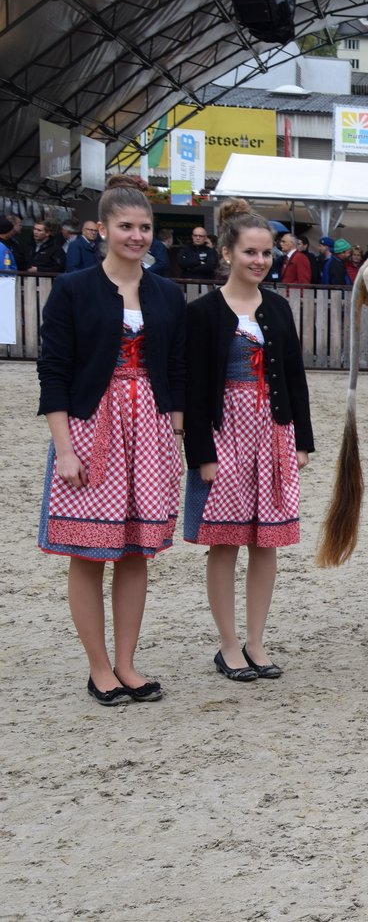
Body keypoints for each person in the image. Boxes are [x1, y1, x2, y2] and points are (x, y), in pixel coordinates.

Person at [36, 176, 185, 706]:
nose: (137, 236)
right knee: (88, 550)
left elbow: (174, 368)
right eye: (126, 226)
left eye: (145, 227)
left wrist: (174, 436)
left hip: (148, 429)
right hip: (90, 428)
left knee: (134, 552)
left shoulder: (167, 293)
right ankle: (99, 667)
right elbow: (53, 372)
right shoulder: (74, 289)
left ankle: (127, 662)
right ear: (102, 229)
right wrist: (66, 449)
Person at [184, 198, 314, 682]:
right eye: (250, 253)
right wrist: (201, 454)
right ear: (226, 253)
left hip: (272, 431)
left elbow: (295, 379)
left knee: (266, 543)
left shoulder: (278, 308)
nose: (259, 261)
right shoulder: (202, 313)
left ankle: (257, 640)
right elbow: (193, 388)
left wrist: (301, 439)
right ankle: (228, 645)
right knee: (225, 543)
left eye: (266, 254)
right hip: (225, 434)